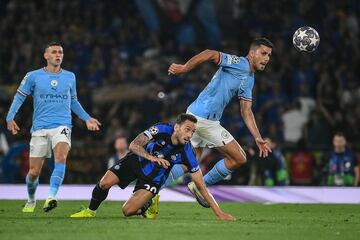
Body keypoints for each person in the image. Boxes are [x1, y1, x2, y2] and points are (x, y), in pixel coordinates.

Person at [166, 38, 272, 207]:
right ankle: (200, 186)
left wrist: (257, 137)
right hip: (204, 120)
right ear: (252, 53)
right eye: (264, 53)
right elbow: (210, 53)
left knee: (189, 163)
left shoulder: (249, 78)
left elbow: (246, 111)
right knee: (239, 158)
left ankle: (152, 189)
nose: (266, 58)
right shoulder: (240, 63)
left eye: (269, 55)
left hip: (197, 115)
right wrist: (184, 68)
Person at [70, 113, 234, 221]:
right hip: (137, 160)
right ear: (177, 127)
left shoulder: (188, 153)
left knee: (127, 211)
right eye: (187, 130)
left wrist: (219, 213)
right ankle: (90, 212)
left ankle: (148, 202)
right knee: (104, 183)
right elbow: (134, 145)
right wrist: (151, 157)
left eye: (193, 132)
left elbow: (201, 186)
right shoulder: (161, 129)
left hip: (154, 177)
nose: (190, 135)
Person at [6, 42, 101, 213]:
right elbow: (19, 97)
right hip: (40, 128)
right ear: (46, 56)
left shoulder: (70, 76)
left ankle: (51, 196)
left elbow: (73, 100)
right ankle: (31, 199)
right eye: (54, 52)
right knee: (34, 172)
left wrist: (87, 118)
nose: (58, 55)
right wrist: (9, 117)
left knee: (61, 157)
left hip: (63, 125)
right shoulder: (33, 76)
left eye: (61, 52)